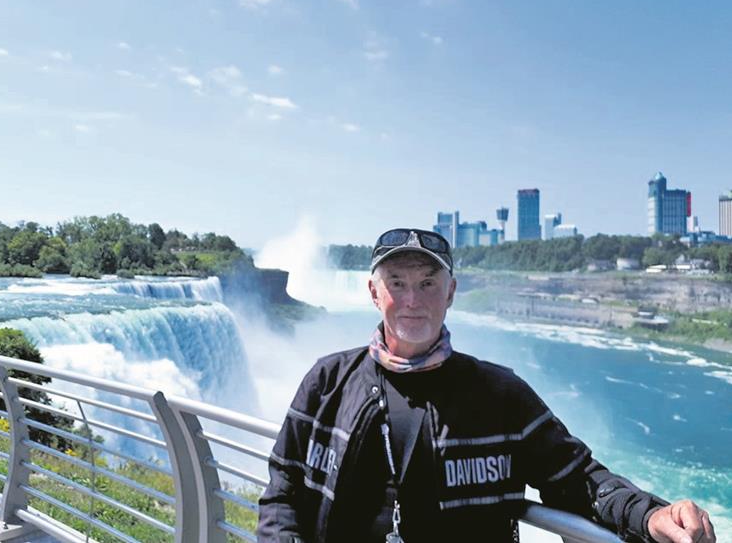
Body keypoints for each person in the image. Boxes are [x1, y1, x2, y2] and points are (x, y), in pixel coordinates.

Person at [257, 228, 717, 543]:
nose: (413, 300)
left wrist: (653, 515)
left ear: (451, 292)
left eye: (428, 282)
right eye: (397, 282)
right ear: (374, 293)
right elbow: (282, 490)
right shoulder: (327, 382)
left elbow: (580, 480)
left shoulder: (499, 395)